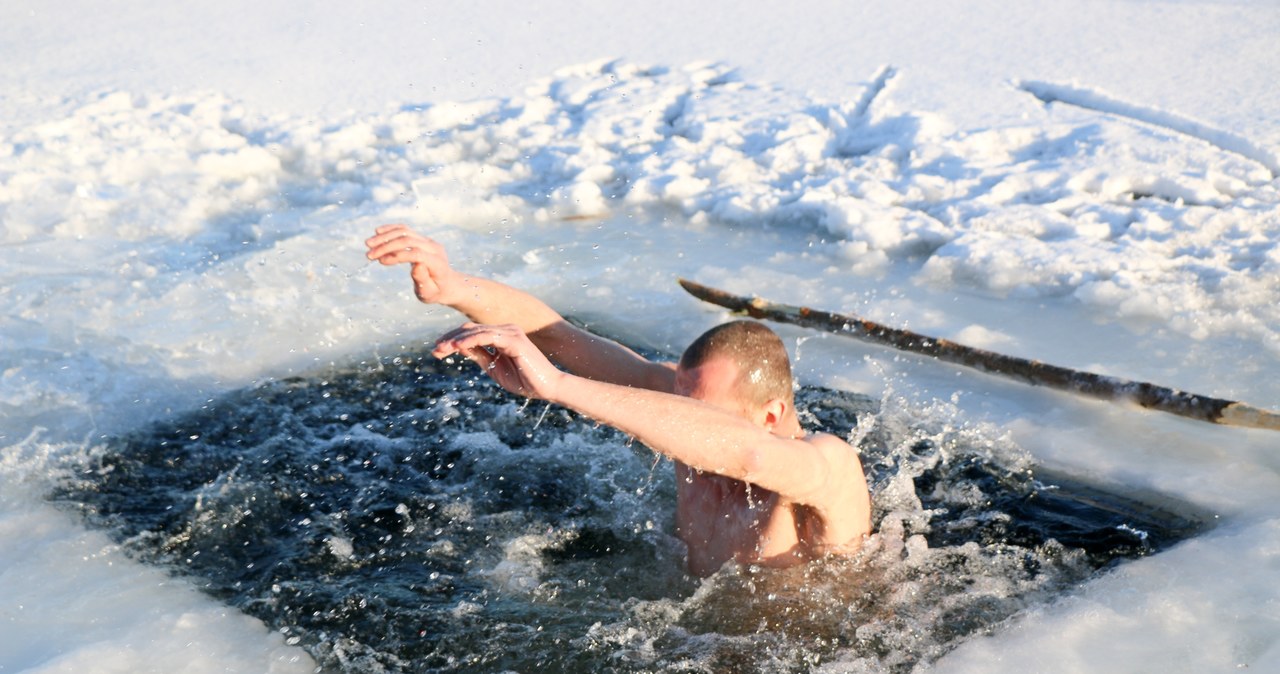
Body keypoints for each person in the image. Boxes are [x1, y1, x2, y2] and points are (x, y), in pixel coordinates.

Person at [365, 224, 872, 577]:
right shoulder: (683, 400)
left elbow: (749, 454)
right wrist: (454, 286)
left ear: (770, 415)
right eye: (681, 400)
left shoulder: (825, 468)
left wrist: (558, 388)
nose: (681, 418)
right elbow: (560, 337)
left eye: (698, 410)